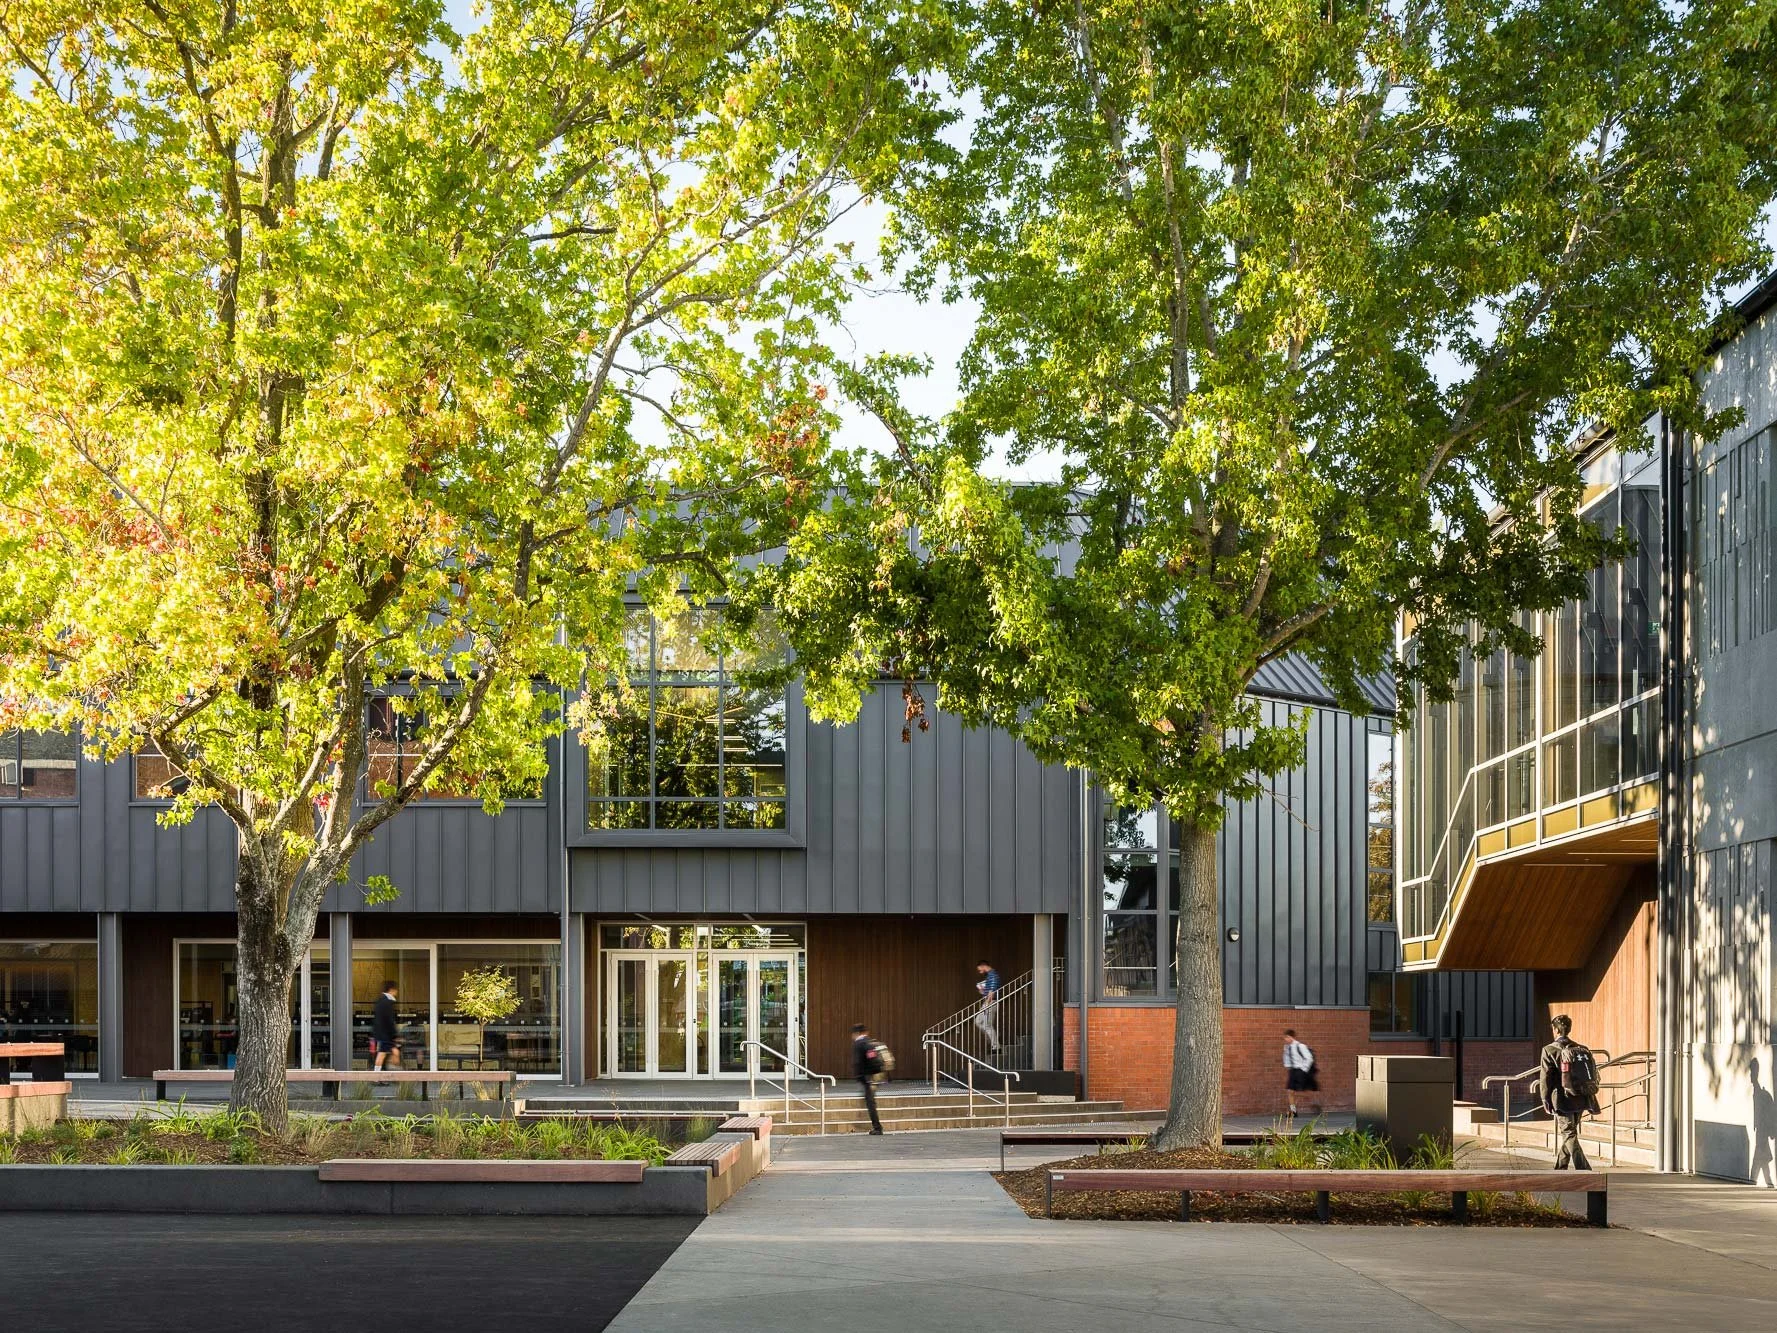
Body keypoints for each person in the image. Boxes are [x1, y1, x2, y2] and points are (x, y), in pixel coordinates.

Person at [1538, 1013, 1601, 1170]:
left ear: (1555, 1030)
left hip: (1562, 1099)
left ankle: (1584, 1168)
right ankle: (1561, 1167)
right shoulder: (1582, 1049)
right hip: (1582, 1096)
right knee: (1570, 1133)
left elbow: (1545, 1078)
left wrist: (1545, 1099)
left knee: (1569, 1134)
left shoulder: (1549, 1050)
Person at [851, 1023, 885, 1134]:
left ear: (857, 1033)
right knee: (870, 1101)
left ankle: (877, 1127)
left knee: (870, 1102)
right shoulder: (868, 1042)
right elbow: (872, 1058)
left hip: (867, 1078)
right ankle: (875, 1126)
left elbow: (858, 1062)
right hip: (873, 1077)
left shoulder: (860, 1044)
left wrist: (862, 1076)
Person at [1282, 1029, 1318, 1118]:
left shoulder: (1300, 1046)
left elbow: (1309, 1058)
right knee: (1290, 1091)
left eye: (1287, 1037)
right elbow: (1286, 1058)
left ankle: (1315, 1104)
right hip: (1292, 1071)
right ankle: (1293, 1111)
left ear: (1292, 1037)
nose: (1286, 1039)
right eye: (1285, 1037)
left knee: (1304, 1090)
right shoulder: (1287, 1047)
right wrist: (1288, 1066)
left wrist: (1303, 1070)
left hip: (1301, 1070)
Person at [371, 980, 403, 1071]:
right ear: (391, 990)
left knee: (386, 1053)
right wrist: (395, 1034)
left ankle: (380, 1073)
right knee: (386, 1053)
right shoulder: (387, 1002)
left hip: (382, 1034)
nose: (397, 992)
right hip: (385, 1035)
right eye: (396, 990)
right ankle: (379, 1074)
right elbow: (389, 1020)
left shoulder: (380, 1001)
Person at [973, 960, 1001, 1052]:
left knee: (987, 1025)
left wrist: (987, 1005)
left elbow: (992, 993)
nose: (980, 972)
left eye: (980, 969)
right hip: (987, 1002)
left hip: (990, 1002)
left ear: (983, 966)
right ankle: (993, 1038)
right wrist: (982, 991)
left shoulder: (993, 975)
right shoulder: (989, 976)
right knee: (978, 1021)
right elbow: (988, 991)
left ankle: (996, 1047)